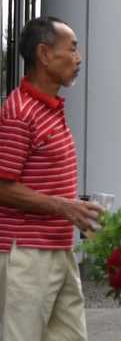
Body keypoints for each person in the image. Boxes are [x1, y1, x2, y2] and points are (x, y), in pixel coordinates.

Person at [0, 17, 102, 341]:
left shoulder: (49, 108)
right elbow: (3, 187)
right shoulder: (19, 112)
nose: (78, 58)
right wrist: (64, 207)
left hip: (59, 249)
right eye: (71, 49)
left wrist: (76, 210)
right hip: (26, 256)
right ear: (44, 54)